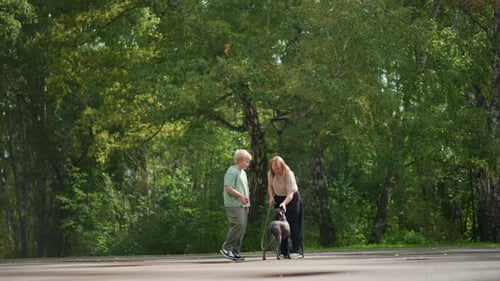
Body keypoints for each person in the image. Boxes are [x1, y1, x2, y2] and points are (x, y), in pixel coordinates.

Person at [267, 156, 304, 258]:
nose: (276, 170)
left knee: (293, 224)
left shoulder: (288, 174)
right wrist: (271, 196)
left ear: (282, 166)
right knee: (280, 226)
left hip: (291, 199)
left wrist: (284, 203)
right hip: (278, 198)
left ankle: (296, 250)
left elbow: (290, 193)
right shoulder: (270, 174)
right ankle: (283, 251)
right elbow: (270, 186)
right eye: (274, 168)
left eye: (278, 168)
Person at [220, 149, 252, 261]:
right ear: (239, 160)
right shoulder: (232, 171)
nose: (248, 164)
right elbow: (228, 187)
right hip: (234, 204)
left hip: (244, 204)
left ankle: (235, 251)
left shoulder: (242, 172)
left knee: (242, 227)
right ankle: (226, 248)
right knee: (237, 225)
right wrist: (240, 196)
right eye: (246, 161)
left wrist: (245, 200)